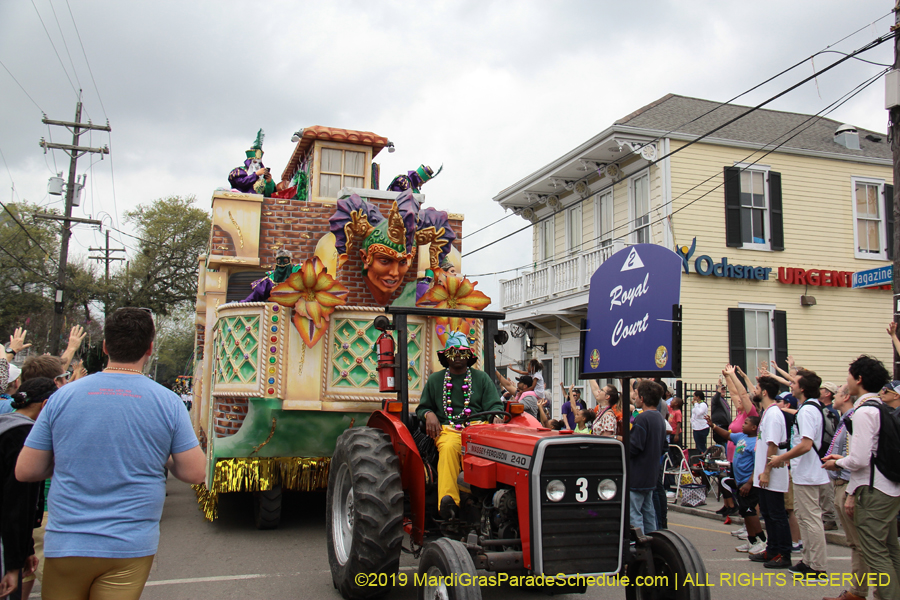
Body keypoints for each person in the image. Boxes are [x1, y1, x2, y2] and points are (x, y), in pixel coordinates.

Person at [15, 308, 205, 600]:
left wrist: (71, 459)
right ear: (150, 348)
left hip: (67, 541)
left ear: (105, 346)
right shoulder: (168, 403)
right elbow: (195, 472)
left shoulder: (61, 398)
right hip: (129, 545)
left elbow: (26, 470)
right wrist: (159, 454)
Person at [823, 355, 899, 600]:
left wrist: (838, 462)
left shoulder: (865, 411)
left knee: (875, 553)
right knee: (890, 549)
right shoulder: (882, 407)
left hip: (873, 490)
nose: (846, 380)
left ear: (859, 379)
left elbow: (859, 460)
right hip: (890, 487)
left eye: (849, 375)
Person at [415, 332, 502, 519]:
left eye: (462, 353)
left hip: (479, 428)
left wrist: (495, 415)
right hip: (448, 430)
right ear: (446, 356)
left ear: (469, 356)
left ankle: (494, 502)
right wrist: (429, 414)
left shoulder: (481, 378)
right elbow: (423, 408)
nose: (457, 357)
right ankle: (449, 504)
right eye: (453, 353)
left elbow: (495, 405)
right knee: (448, 448)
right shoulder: (435, 380)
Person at [767, 368, 829, 577]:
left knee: (811, 519)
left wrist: (781, 458)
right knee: (804, 517)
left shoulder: (809, 410)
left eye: (794, 383)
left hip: (810, 471)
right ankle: (808, 559)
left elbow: (806, 444)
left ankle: (816, 565)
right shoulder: (808, 408)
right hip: (804, 471)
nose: (791, 385)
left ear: (802, 388)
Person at [0, 378, 56, 600]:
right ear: (45, 406)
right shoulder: (27, 438)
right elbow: (17, 504)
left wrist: (28, 549)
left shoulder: (5, 424)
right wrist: (13, 565)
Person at [822, 384, 877, 600]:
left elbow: (857, 456)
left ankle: (859, 592)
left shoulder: (857, 416)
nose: (833, 397)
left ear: (846, 396)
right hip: (840, 482)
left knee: (860, 544)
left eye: (836, 394)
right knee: (855, 544)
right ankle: (858, 591)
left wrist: (850, 489)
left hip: (848, 482)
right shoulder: (845, 418)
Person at [750, 375, 792, 569]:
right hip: (763, 475)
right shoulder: (767, 412)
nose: (755, 391)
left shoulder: (775, 414)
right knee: (767, 513)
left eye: (757, 388)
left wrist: (766, 471)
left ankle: (784, 553)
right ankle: (772, 549)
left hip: (772, 475)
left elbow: (773, 445)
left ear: (764, 392)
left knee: (777, 515)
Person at [708, 414, 765, 553]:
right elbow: (727, 435)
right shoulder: (741, 437)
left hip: (748, 484)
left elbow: (758, 465)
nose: (743, 425)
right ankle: (751, 540)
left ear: (754, 427)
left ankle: (762, 540)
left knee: (750, 511)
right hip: (740, 482)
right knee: (745, 512)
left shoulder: (756, 443)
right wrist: (713, 426)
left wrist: (749, 483)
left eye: (746, 423)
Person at [630, 380, 667, 535]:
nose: (635, 398)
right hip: (651, 473)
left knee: (635, 514)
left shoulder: (642, 419)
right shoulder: (659, 418)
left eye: (637, 395)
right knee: (649, 512)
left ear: (642, 398)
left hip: (637, 475)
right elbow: (664, 446)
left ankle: (638, 544)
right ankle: (653, 541)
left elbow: (633, 447)